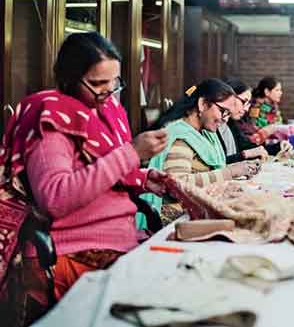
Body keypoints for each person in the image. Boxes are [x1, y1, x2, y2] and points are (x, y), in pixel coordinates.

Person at [0, 32, 173, 326]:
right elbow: (55, 197)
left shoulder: (102, 112)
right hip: (75, 252)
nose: (108, 92)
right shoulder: (52, 122)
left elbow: (99, 170)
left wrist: (143, 178)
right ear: (69, 79)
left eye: (114, 82)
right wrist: (131, 154)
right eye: (97, 84)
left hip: (118, 240)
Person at [144, 79, 260, 226]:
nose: (224, 120)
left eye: (228, 114)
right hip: (177, 219)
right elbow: (177, 183)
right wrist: (230, 172)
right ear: (203, 104)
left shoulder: (205, 134)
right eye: (223, 111)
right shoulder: (181, 136)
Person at [241, 77, 284, 145]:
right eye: (277, 90)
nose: (281, 93)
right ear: (267, 91)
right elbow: (253, 128)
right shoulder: (255, 108)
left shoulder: (273, 107)